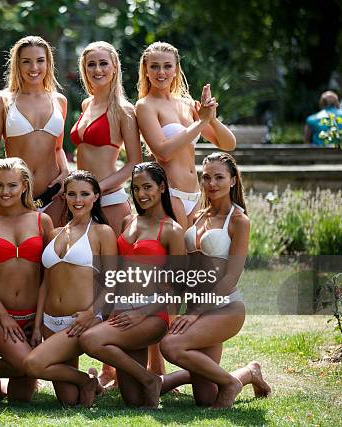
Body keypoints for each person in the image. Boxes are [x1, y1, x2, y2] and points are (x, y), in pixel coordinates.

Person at [159, 152, 271, 408]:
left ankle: (229, 384)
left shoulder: (239, 221)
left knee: (171, 345)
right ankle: (249, 373)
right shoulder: (199, 216)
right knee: (205, 398)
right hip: (197, 306)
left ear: (233, 181)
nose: (211, 183)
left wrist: (196, 312)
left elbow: (231, 276)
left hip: (224, 307)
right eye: (206, 177)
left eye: (219, 177)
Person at [79, 162, 185, 408]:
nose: (141, 194)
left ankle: (150, 379)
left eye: (147, 187)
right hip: (121, 311)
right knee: (133, 400)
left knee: (90, 341)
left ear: (162, 188)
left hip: (150, 315)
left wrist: (142, 313)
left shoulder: (172, 230)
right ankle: (181, 377)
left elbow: (177, 286)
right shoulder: (129, 221)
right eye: (136, 188)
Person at [23, 170, 117, 407]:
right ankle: (90, 381)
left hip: (80, 320)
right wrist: (37, 324)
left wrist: (91, 313)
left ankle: (86, 381)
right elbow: (46, 282)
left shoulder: (102, 233)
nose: (78, 200)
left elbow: (113, 280)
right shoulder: (54, 233)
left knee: (33, 364)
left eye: (84, 194)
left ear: (96, 196)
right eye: (72, 194)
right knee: (68, 400)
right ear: (64, 197)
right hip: (49, 322)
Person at [0, 158, 54, 402]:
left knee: (21, 397)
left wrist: (38, 323)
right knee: (29, 363)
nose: (5, 192)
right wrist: (5, 318)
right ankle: (86, 380)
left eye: (12, 185)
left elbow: (47, 276)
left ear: (25, 186)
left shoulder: (42, 221)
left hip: (32, 315)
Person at [135, 42, 236, 230]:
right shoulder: (145, 106)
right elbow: (163, 152)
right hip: (170, 194)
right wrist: (201, 122)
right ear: (146, 70)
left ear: (176, 70)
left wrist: (211, 119)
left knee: (197, 254)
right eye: (154, 66)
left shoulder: (187, 104)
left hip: (196, 194)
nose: (161, 72)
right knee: (179, 257)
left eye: (167, 66)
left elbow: (228, 144)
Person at [0, 36, 69, 226]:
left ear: (48, 63)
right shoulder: (2, 101)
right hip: (15, 198)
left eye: (40, 61)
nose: (34, 68)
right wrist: (4, 190)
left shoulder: (59, 101)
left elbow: (58, 148)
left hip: (53, 196)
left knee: (53, 254)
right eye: (26, 62)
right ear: (17, 65)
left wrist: (65, 172)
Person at [72, 41, 142, 235]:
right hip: (81, 200)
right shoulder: (87, 104)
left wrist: (96, 189)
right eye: (91, 64)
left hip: (110, 200)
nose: (97, 69)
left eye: (103, 63)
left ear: (114, 67)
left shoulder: (123, 109)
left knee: (114, 264)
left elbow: (135, 163)